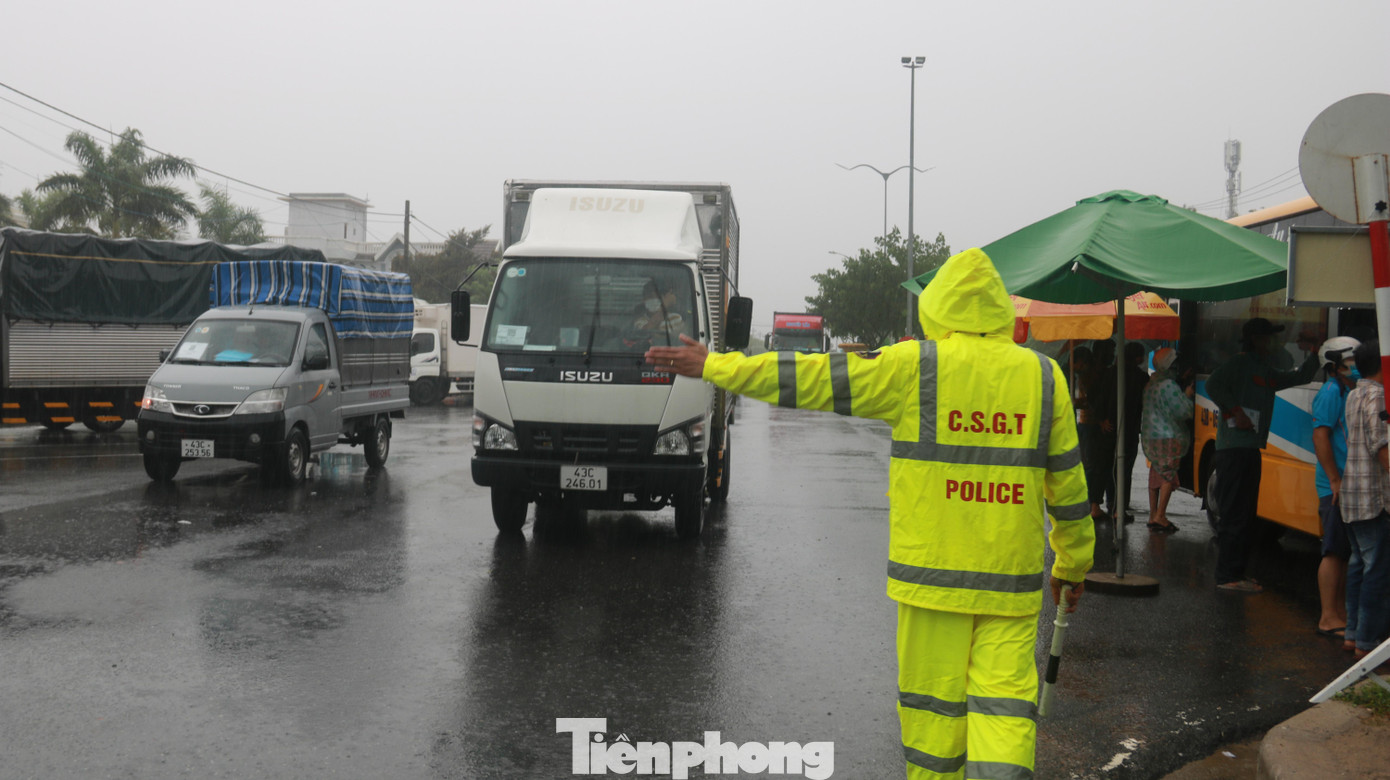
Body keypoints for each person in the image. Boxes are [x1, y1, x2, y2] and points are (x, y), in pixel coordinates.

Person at [645, 248, 1094, 779]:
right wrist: (1072, 565)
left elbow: (810, 378)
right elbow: (1068, 487)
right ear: (998, 311)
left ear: (940, 307)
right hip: (1011, 586)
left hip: (932, 582)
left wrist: (719, 366)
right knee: (1005, 714)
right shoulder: (1043, 378)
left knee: (933, 718)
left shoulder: (915, 367)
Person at [1205, 317, 1320, 592]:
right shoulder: (1239, 363)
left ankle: (1237, 572)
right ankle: (1226, 576)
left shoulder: (1263, 368)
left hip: (1250, 449)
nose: (1274, 342)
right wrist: (1237, 412)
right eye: (1269, 337)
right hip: (1233, 450)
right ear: (1256, 339)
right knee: (1234, 513)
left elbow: (1298, 377)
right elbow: (1213, 386)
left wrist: (1315, 354)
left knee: (1245, 514)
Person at [1341, 340, 1390, 659]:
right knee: (1377, 570)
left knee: (1359, 565)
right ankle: (1367, 643)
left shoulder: (1353, 394)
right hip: (1373, 496)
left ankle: (1352, 634)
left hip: (1351, 495)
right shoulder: (1377, 395)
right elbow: (1380, 445)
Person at [1312, 336, 1359, 640]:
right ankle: (1328, 616)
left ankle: (1338, 612)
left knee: (1343, 553)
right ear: (1335, 364)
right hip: (1335, 485)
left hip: (1344, 482)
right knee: (1333, 551)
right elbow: (1320, 437)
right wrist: (1334, 480)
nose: (1355, 366)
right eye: (1351, 361)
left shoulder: (1346, 390)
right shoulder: (1331, 392)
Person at [1092, 340, 1147, 522]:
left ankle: (1095, 506)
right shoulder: (1141, 378)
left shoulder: (1109, 374)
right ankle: (1118, 509)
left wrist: (1102, 420)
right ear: (1137, 357)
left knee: (1103, 467)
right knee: (1123, 469)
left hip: (1108, 428)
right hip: (1129, 430)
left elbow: (1098, 399)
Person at [1140, 347, 1193, 533]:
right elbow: (1182, 411)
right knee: (1168, 475)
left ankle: (1153, 514)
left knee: (1155, 474)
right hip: (1168, 436)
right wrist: (1186, 395)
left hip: (1151, 438)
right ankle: (1160, 515)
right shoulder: (1169, 386)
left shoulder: (1150, 384)